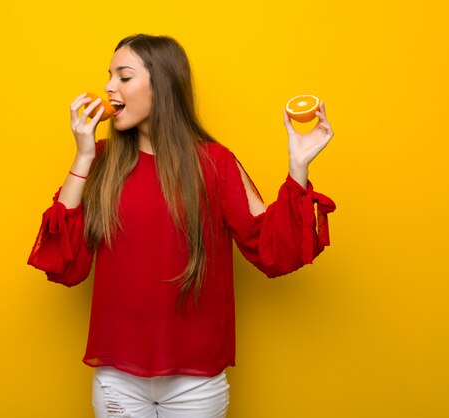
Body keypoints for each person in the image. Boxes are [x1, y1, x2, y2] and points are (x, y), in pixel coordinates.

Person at [27, 34, 336, 418]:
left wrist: (298, 169)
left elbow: (271, 249)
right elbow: (63, 264)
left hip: (196, 383)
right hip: (117, 380)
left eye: (124, 77)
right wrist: (84, 154)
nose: (108, 87)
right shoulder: (101, 163)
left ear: (163, 84)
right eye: (109, 76)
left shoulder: (215, 163)